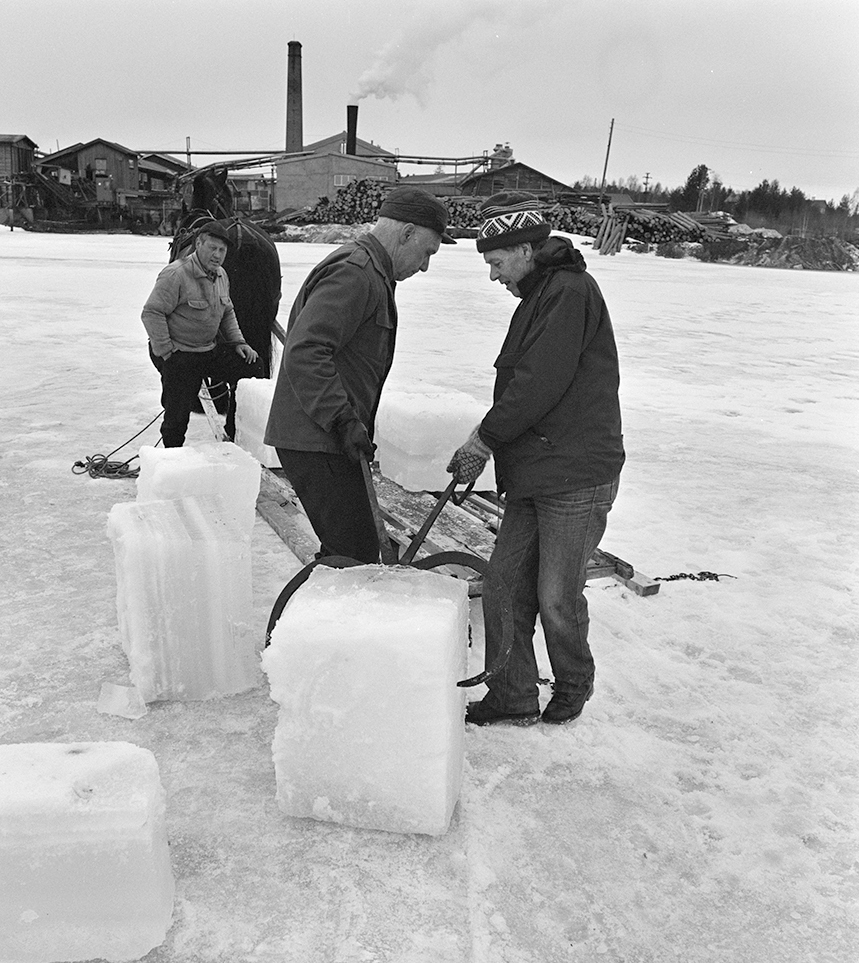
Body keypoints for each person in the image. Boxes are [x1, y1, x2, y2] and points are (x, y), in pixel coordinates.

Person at [448, 192, 625, 726]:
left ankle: (574, 683)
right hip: (537, 470)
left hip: (575, 474)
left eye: (498, 262)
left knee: (556, 596)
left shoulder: (568, 292)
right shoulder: (542, 293)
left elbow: (536, 384)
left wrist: (482, 441)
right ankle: (513, 694)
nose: (494, 274)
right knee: (503, 586)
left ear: (525, 249)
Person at [264, 187, 455, 563]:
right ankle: (322, 620)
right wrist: (341, 420)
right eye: (428, 252)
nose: (425, 265)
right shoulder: (356, 273)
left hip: (327, 438)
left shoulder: (371, 271)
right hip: (316, 439)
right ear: (406, 234)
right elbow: (306, 351)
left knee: (352, 550)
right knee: (352, 556)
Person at [141, 220, 258, 447]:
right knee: (179, 407)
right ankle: (172, 456)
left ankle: (232, 434)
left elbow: (227, 311)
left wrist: (238, 342)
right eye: (212, 248)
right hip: (178, 351)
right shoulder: (175, 274)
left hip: (207, 349)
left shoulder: (221, 275)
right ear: (198, 244)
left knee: (252, 366)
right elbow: (151, 313)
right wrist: (168, 353)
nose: (217, 255)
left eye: (222, 250)